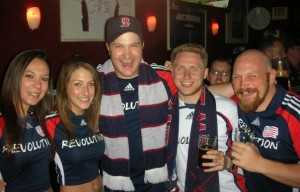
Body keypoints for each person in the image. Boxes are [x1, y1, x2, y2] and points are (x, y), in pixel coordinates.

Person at [97, 15, 175, 191]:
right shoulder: (94, 84)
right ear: (108, 47)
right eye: (119, 46)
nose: (127, 55)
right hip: (115, 183)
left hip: (156, 182)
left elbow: (199, 91)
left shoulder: (163, 78)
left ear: (143, 46)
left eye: (134, 45)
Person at [166, 43, 246, 191]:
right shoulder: (166, 110)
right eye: (180, 68)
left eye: (194, 69)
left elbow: (247, 158)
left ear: (205, 73)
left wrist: (228, 162)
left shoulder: (227, 108)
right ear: (172, 71)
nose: (187, 76)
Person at [230, 49, 300, 191]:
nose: (243, 85)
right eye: (237, 77)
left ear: (271, 76)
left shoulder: (294, 112)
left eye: (252, 76)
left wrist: (259, 164)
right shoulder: (237, 101)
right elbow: (203, 93)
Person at [45, 56, 104, 192]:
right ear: (65, 87)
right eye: (78, 84)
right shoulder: (51, 122)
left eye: (91, 84)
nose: (86, 92)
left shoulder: (96, 118)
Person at [0, 49, 54, 192]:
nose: (37, 85)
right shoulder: (1, 122)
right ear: (15, 77)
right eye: (30, 76)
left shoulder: (44, 119)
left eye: (44, 79)